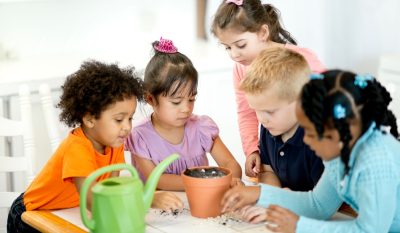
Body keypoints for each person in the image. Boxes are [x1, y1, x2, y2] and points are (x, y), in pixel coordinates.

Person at [220, 70, 400, 232]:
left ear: (335, 134)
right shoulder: (339, 153)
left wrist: (300, 226)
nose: (305, 139)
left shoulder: (375, 161)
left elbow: (371, 230)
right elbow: (318, 204)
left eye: (311, 133)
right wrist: (259, 194)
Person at [6, 60, 175, 233]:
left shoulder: (114, 142)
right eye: (119, 119)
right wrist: (145, 199)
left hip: (63, 212)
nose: (127, 127)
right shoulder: (77, 147)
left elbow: (112, 188)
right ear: (89, 119)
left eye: (130, 118)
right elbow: (93, 202)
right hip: (30, 214)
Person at [211, 0, 325, 178]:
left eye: (240, 45)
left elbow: (329, 99)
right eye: (227, 47)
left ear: (263, 32)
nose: (234, 54)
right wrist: (251, 150)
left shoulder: (301, 58)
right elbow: (246, 112)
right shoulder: (241, 69)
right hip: (276, 156)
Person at [125, 38, 242, 192]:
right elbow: (159, 180)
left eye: (191, 99)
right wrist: (207, 181)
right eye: (176, 102)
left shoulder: (201, 128)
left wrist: (232, 179)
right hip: (158, 211)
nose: (186, 108)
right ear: (150, 99)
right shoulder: (140, 136)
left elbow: (230, 163)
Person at [240, 47, 323, 191]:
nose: (261, 119)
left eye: (270, 111)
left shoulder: (319, 141)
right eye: (256, 110)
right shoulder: (269, 128)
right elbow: (268, 172)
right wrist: (275, 196)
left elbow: (324, 202)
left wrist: (287, 199)